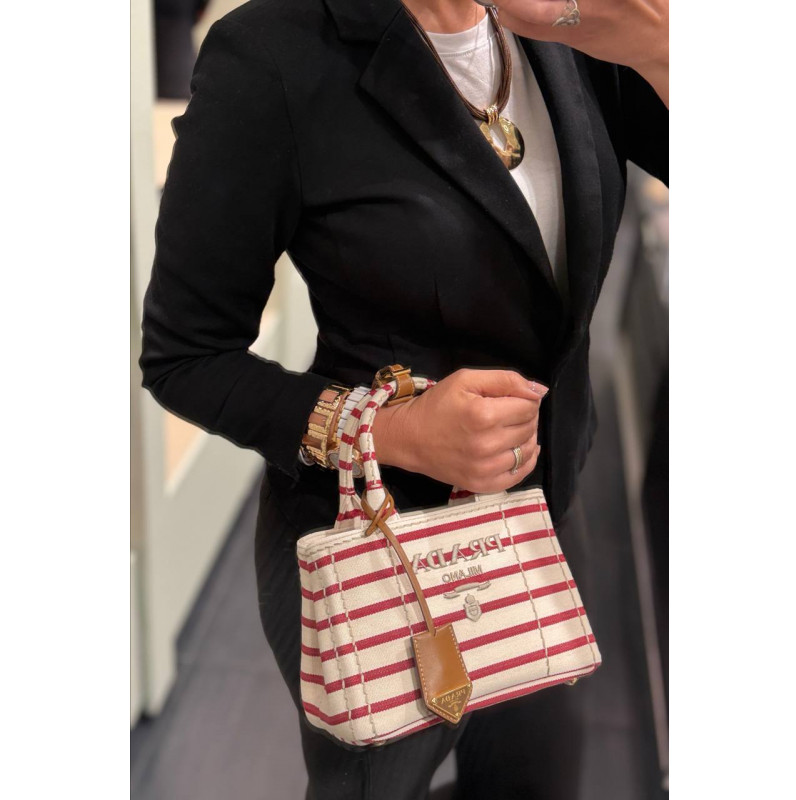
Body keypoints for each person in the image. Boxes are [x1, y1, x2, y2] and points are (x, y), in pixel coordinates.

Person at [138, 0, 668, 796]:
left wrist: (661, 44)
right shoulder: (271, 54)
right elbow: (185, 354)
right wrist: (394, 430)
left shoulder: (573, 24)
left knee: (540, 776)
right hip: (373, 546)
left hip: (543, 509)